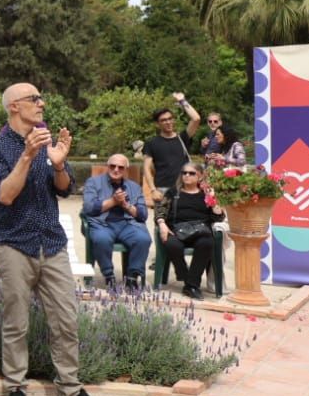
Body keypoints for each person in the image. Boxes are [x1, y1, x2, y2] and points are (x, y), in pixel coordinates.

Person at [0, 83, 114, 396]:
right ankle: (15, 389)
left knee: (67, 320)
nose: (42, 104)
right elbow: (6, 196)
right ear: (14, 106)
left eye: (41, 97)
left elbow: (64, 187)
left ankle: (70, 391)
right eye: (34, 99)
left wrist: (58, 164)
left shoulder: (45, 141)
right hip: (14, 244)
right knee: (16, 323)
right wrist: (28, 156)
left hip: (51, 243)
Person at [81, 154, 150, 290]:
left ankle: (132, 277)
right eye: (112, 166)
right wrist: (113, 201)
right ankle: (109, 276)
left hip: (128, 224)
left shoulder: (135, 187)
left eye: (120, 167)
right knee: (101, 239)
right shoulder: (93, 182)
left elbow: (143, 215)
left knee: (143, 239)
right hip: (102, 223)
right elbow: (88, 208)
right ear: (108, 167)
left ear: (126, 170)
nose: (116, 170)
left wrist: (126, 205)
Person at [156, 162, 224, 298]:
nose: (187, 176)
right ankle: (187, 278)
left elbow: (218, 217)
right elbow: (160, 210)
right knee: (172, 244)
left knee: (206, 243)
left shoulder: (206, 193)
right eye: (184, 173)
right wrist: (162, 224)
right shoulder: (173, 192)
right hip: (177, 229)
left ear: (200, 176)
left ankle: (191, 286)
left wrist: (214, 201)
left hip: (200, 231)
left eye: (191, 173)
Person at [141, 93, 200, 218]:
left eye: (169, 118)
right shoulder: (151, 143)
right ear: (158, 124)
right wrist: (152, 190)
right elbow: (146, 168)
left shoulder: (182, 138)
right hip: (162, 190)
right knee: (161, 224)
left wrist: (183, 101)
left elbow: (196, 119)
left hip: (184, 188)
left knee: (185, 222)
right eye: (163, 120)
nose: (168, 122)